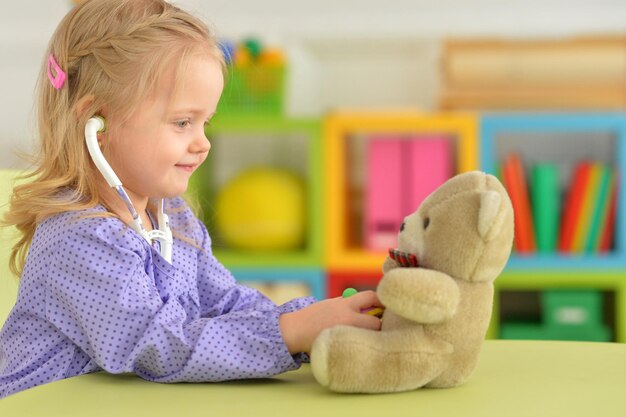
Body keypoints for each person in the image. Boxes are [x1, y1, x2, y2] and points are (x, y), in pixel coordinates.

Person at [0, 0, 382, 399]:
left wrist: (312, 320)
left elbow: (224, 302)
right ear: (98, 124)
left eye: (205, 122)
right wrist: (290, 333)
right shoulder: (77, 239)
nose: (202, 144)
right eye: (183, 122)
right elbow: (158, 346)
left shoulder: (172, 219)